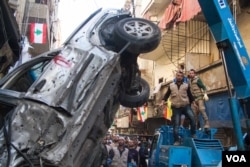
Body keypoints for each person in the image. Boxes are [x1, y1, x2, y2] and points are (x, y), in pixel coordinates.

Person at [160, 70, 196, 146]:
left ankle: (193, 134)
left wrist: (193, 103)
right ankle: (176, 140)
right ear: (176, 76)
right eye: (178, 76)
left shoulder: (186, 85)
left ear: (183, 77)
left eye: (180, 76)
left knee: (193, 118)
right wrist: (163, 101)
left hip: (185, 106)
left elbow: (190, 95)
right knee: (176, 124)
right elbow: (166, 95)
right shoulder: (171, 86)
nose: (179, 77)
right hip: (176, 107)